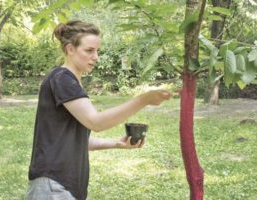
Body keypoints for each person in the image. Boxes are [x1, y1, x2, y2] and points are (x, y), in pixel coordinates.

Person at [26, 20, 171, 200]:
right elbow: (96, 122)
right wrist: (143, 99)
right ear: (70, 49)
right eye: (89, 50)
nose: (96, 57)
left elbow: (77, 141)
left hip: (61, 186)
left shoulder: (69, 81)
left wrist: (116, 144)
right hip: (54, 186)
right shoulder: (63, 78)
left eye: (97, 51)